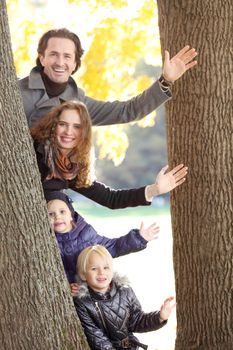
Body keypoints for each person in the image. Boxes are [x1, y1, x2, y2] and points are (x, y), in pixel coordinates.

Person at [19, 28, 197, 128]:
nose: (60, 62)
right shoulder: (15, 91)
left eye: (67, 56)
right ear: (42, 58)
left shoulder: (78, 103)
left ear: (74, 64)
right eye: (53, 55)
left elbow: (126, 111)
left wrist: (165, 80)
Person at [31, 100, 188, 209]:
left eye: (76, 127)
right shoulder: (34, 148)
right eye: (62, 124)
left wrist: (155, 189)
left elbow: (111, 198)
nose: (68, 132)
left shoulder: (69, 168)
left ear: (83, 133)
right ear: (53, 126)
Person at [45, 191, 160, 288]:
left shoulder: (85, 233)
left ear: (71, 214)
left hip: (93, 288)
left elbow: (112, 247)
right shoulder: (47, 241)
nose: (57, 217)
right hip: (70, 291)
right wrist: (67, 285)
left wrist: (139, 238)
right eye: (50, 214)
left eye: (62, 212)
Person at [74, 245, 176, 350]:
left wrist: (160, 317)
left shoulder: (125, 291)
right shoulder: (83, 303)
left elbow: (137, 321)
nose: (101, 272)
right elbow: (97, 338)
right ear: (83, 275)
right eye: (94, 268)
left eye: (106, 267)